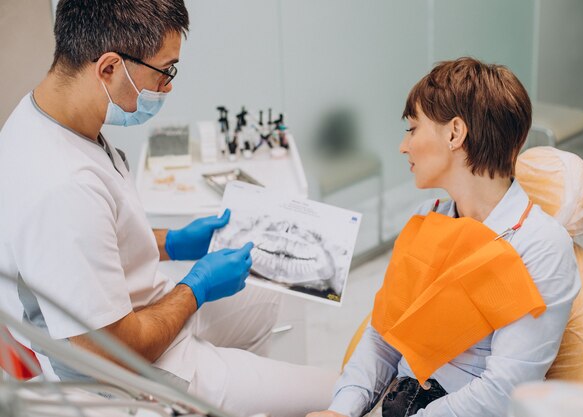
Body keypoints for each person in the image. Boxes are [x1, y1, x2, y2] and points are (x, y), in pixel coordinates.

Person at [0, 1, 336, 416]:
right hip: (131, 373)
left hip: (143, 309)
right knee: (337, 396)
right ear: (108, 68)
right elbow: (115, 352)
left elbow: (93, 243)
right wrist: (195, 288)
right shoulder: (62, 188)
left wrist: (172, 242)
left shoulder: (43, 118)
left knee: (264, 299)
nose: (168, 87)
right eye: (165, 71)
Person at [308, 57, 581, 417]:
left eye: (412, 128)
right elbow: (384, 336)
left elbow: (503, 393)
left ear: (455, 134)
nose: (403, 146)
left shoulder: (539, 245)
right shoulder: (428, 217)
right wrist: (341, 410)